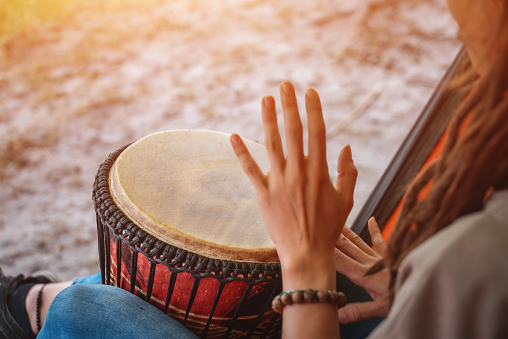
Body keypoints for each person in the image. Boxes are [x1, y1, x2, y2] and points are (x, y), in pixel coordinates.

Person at [1, 0, 507, 337]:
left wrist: (306, 265)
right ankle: (32, 301)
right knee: (324, 272)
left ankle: (40, 305)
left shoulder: (482, 257)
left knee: (85, 316)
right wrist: (411, 284)